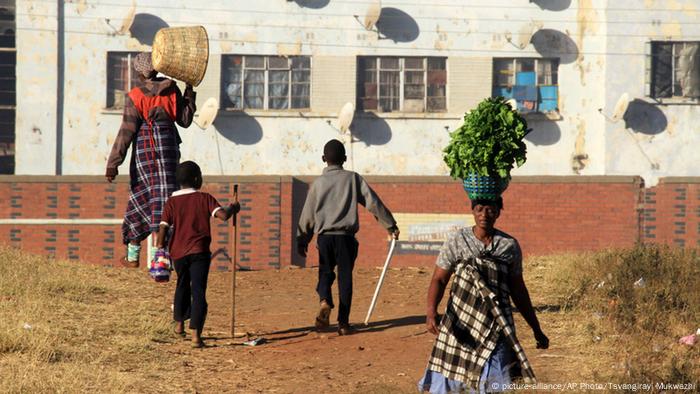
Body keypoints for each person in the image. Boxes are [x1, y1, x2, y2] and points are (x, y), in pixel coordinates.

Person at [418, 197, 549, 393]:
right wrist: (431, 312)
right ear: (472, 211)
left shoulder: (508, 246)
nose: (484, 215)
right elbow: (439, 279)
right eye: (479, 209)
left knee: (494, 381)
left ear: (498, 212)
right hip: (460, 324)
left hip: (497, 326)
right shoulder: (458, 240)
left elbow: (518, 290)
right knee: (450, 378)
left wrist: (536, 328)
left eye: (490, 210)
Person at [297, 139, 400, 336]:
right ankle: (343, 323)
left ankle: (325, 300)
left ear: (323, 159)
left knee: (325, 272)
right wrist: (390, 224)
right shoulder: (353, 179)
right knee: (346, 279)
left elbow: (307, 214)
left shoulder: (318, 184)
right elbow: (373, 203)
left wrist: (302, 240)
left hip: (325, 237)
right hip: (346, 238)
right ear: (345, 159)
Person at [105, 52, 197, 268]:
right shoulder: (171, 90)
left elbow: (126, 133)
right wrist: (189, 94)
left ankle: (134, 256)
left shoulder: (135, 96)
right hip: (168, 151)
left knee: (142, 197)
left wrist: (113, 164)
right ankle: (161, 258)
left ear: (139, 73)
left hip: (145, 152)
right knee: (164, 201)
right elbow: (184, 120)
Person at [155, 161, 239, 348]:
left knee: (182, 285)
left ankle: (179, 325)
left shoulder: (171, 201)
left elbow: (163, 227)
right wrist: (233, 207)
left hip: (178, 252)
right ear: (196, 178)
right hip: (199, 251)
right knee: (198, 291)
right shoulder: (204, 198)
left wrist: (160, 246)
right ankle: (196, 336)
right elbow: (223, 216)